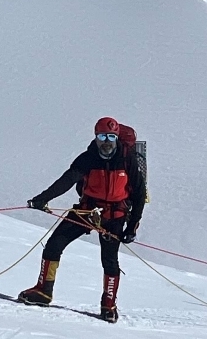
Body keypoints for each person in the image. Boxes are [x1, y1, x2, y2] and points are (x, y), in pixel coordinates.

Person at [19, 117, 148, 322]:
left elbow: (140, 194)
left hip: (114, 216)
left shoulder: (128, 159)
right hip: (87, 211)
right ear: (96, 137)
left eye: (111, 137)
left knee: (109, 260)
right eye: (103, 137)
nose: (107, 141)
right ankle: (43, 292)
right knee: (54, 244)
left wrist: (132, 227)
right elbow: (67, 180)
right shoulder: (87, 158)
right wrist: (42, 199)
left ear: (117, 138)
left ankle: (108, 305)